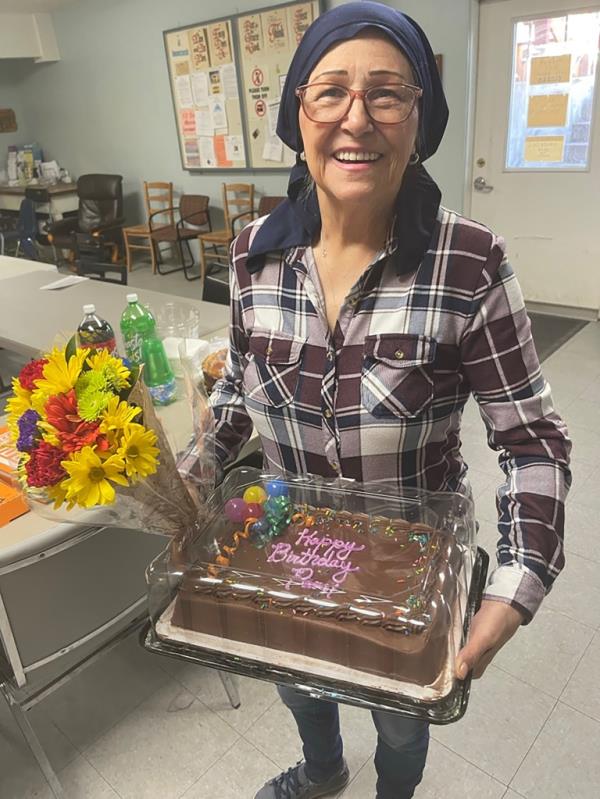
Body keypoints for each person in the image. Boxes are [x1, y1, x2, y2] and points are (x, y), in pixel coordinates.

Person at [206, 3, 571, 797]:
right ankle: (322, 768)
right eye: (330, 91)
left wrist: (515, 586)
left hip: (408, 570)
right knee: (298, 680)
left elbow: (533, 443)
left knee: (402, 720)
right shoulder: (252, 255)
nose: (356, 118)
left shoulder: (469, 262)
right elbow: (237, 389)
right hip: (287, 547)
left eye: (388, 94)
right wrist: (183, 484)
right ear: (297, 113)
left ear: (421, 118)